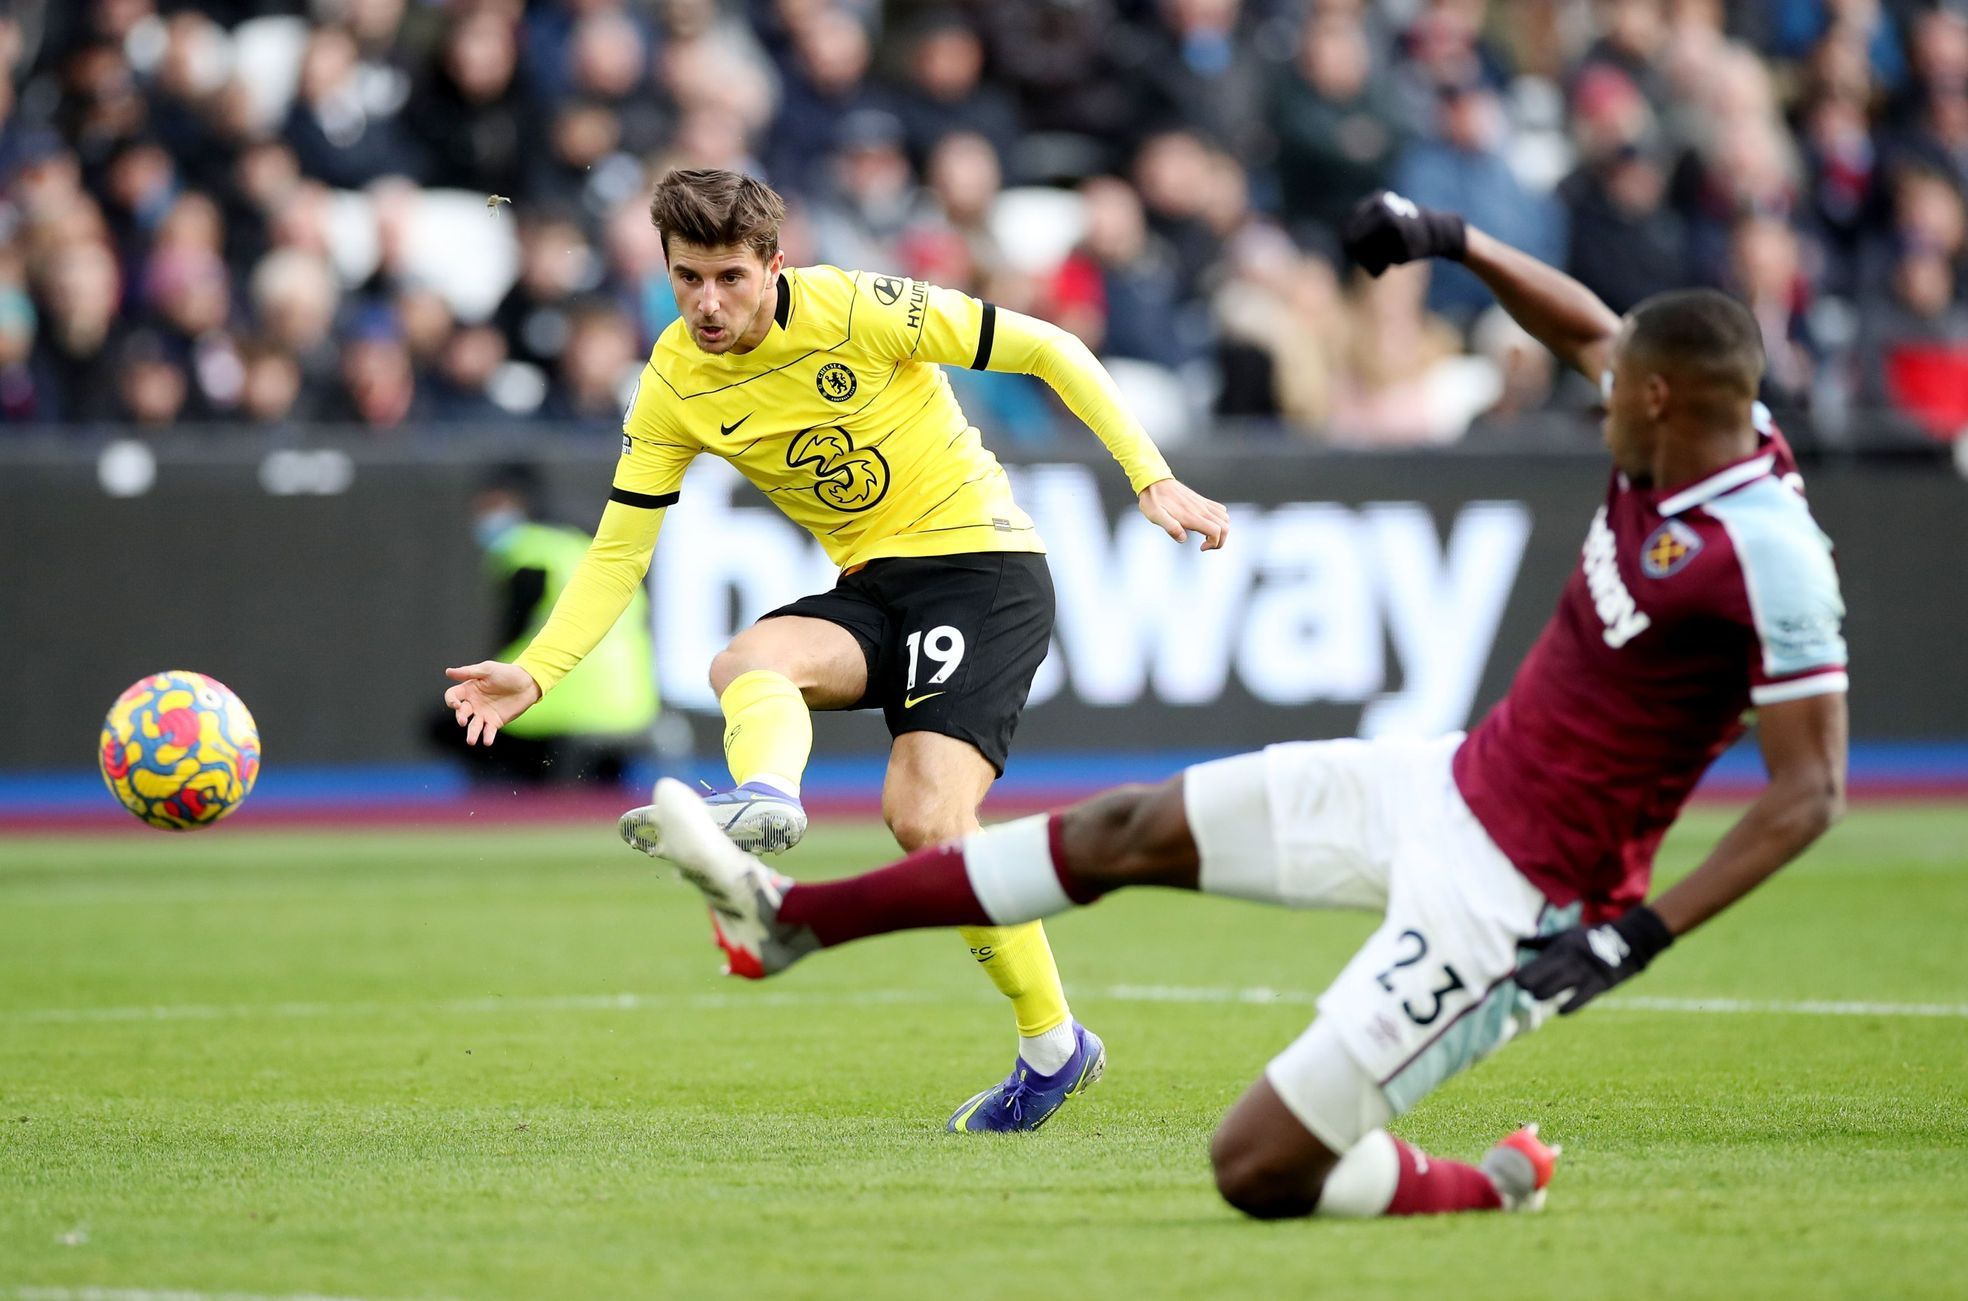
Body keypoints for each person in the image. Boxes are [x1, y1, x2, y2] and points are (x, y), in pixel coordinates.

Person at [628, 190, 1850, 1217]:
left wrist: (1638, 934)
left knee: (1256, 1163)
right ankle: (806, 923)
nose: (1596, 393)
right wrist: (1454, 241)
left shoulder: (1768, 552)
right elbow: (1593, 325)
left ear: (1658, 405)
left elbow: (1810, 792)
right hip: (1448, 778)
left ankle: (1485, 1187)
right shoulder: (1677, 411)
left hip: (1525, 892)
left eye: (1611, 388)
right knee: (1120, 830)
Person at [444, 168, 1228, 1133]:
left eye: (730, 276)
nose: (708, 302)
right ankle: (770, 805)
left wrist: (1150, 478)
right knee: (744, 662)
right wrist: (538, 669)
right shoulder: (673, 381)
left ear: (777, 263)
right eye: (687, 277)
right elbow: (620, 550)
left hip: (981, 568)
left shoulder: (858, 306)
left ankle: (1051, 1047)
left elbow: (1048, 347)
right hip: (875, 586)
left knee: (926, 820)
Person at [433, 465, 658, 787]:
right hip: (632, 707)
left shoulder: (528, 551)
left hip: (557, 707)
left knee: (453, 721)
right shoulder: (585, 546)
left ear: (522, 504)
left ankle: (505, 812)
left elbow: (512, 634)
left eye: (493, 506)